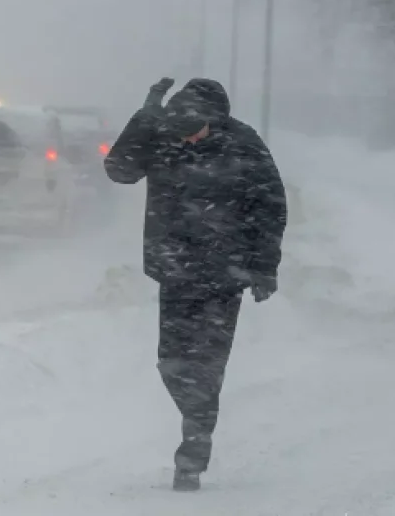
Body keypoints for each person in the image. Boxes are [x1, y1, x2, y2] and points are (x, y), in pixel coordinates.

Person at [103, 77, 287, 492]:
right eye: (182, 132)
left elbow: (270, 206)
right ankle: (196, 418)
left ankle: (193, 449)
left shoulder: (243, 144)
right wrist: (145, 117)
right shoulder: (163, 136)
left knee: (206, 364)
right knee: (171, 362)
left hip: (226, 274)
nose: (190, 140)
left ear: (215, 120)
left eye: (197, 130)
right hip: (176, 270)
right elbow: (119, 170)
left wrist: (264, 266)